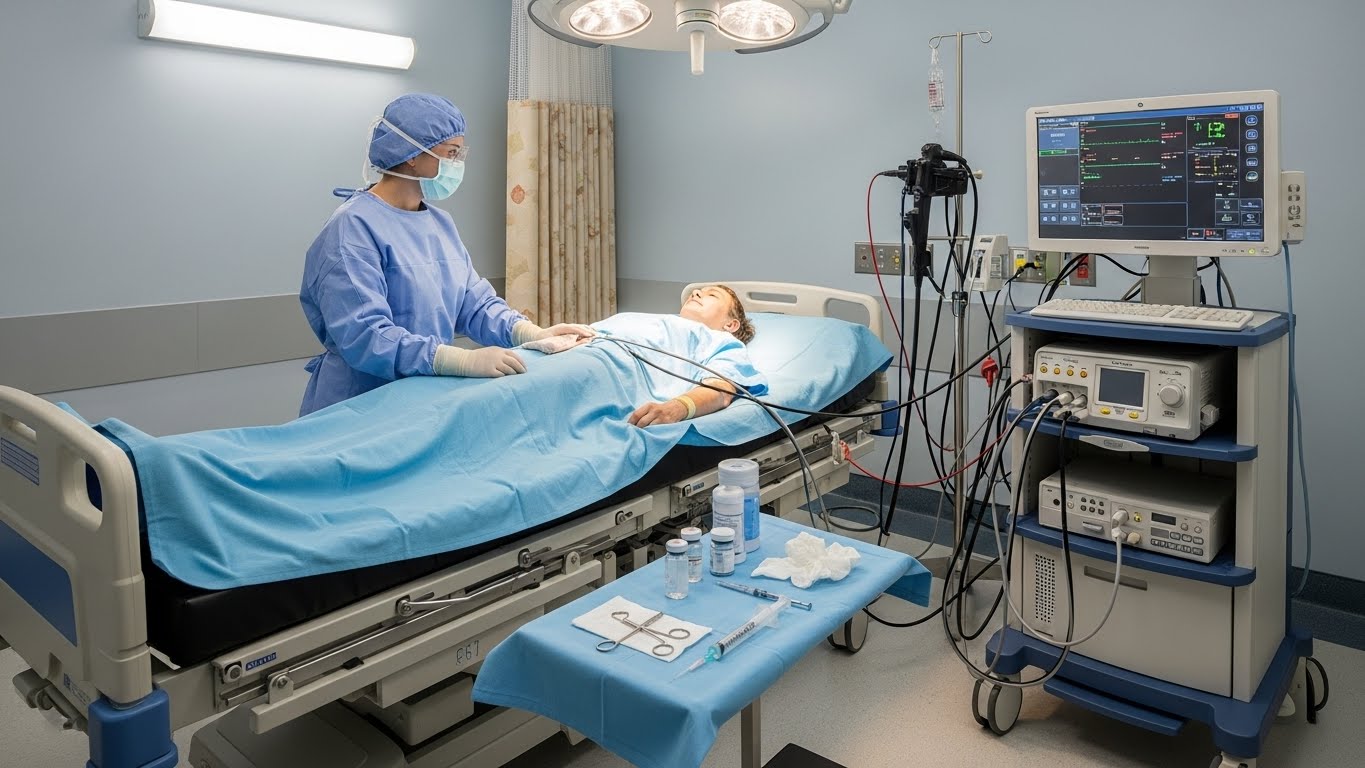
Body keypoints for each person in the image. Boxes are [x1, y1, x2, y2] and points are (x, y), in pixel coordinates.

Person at [298, 93, 592, 416]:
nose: (457, 165)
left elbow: (475, 304)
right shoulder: (351, 230)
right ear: (411, 154)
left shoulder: (440, 224)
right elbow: (366, 336)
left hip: (420, 399)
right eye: (451, 153)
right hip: (359, 407)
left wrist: (532, 333)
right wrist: (461, 360)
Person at [584, 284, 763, 427]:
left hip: (599, 377)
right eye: (698, 291)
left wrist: (679, 407)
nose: (696, 293)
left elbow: (721, 390)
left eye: (712, 295)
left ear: (730, 325)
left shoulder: (720, 342)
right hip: (580, 354)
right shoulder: (648, 320)